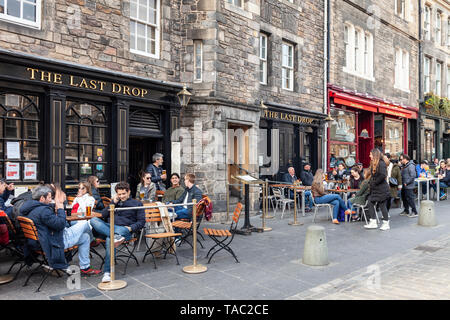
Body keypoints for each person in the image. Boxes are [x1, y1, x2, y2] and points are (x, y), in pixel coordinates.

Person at [19, 185, 100, 275]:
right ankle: (94, 241)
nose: (50, 200)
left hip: (42, 241)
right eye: (49, 197)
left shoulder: (30, 208)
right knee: (85, 223)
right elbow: (60, 225)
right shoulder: (43, 211)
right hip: (55, 242)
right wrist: (60, 207)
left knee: (85, 237)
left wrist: (56, 205)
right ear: (42, 198)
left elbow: (50, 219)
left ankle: (85, 267)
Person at [90, 182, 145, 283]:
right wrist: (113, 202)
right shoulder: (115, 202)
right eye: (119, 194)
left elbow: (141, 222)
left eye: (123, 194)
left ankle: (107, 273)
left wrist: (130, 228)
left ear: (129, 192)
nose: (121, 196)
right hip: (110, 227)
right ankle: (115, 236)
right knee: (93, 220)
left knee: (110, 239)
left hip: (125, 230)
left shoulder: (137, 203)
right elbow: (103, 215)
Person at [364, 148, 390, 231]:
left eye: (371, 154)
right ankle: (373, 222)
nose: (369, 156)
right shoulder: (374, 163)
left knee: (382, 205)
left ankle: (386, 223)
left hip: (381, 189)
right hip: (376, 189)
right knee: (370, 202)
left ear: (374, 155)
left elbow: (383, 175)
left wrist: (374, 183)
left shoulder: (381, 163)